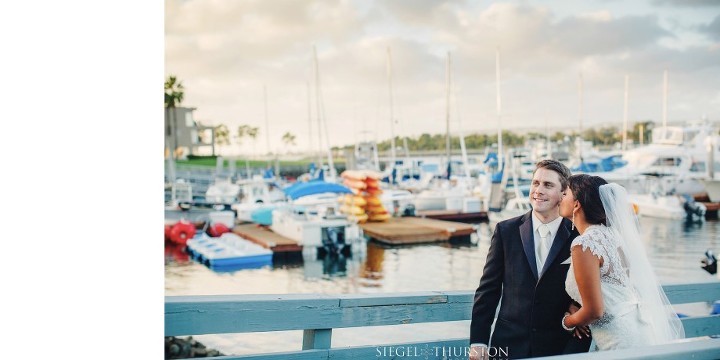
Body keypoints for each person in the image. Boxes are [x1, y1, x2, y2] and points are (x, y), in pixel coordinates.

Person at [470, 160, 591, 360]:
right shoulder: (505, 231)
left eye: (548, 185)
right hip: (507, 346)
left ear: (564, 193)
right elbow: (488, 291)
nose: (538, 190)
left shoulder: (579, 236)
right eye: (536, 183)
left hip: (560, 345)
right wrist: (478, 341)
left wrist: (575, 308)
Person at [558, 174, 685, 350]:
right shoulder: (614, 235)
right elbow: (612, 288)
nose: (560, 198)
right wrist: (577, 305)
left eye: (565, 194)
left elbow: (595, 311)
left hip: (619, 338)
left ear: (577, 204)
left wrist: (568, 321)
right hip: (639, 327)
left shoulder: (584, 244)